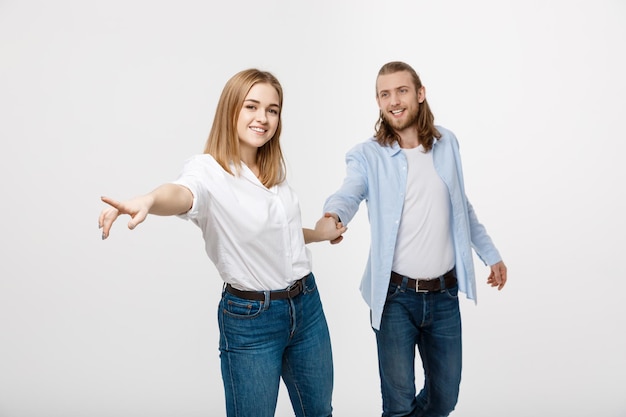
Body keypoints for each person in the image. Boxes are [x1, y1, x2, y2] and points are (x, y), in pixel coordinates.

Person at [98, 68, 345, 417]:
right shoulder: (208, 172)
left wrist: (321, 233)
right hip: (252, 319)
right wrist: (150, 201)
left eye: (272, 110)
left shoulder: (272, 171)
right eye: (252, 106)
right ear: (231, 110)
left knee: (320, 412)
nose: (263, 118)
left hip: (307, 307)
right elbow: (182, 194)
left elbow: (277, 236)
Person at [322, 61, 508, 417]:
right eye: (384, 94)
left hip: (444, 297)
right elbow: (349, 193)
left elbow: (460, 207)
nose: (394, 100)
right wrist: (334, 215)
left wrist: (490, 254)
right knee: (398, 405)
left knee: (444, 399)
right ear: (378, 101)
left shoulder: (446, 142)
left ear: (420, 95)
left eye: (402, 91)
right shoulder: (368, 155)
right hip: (396, 299)